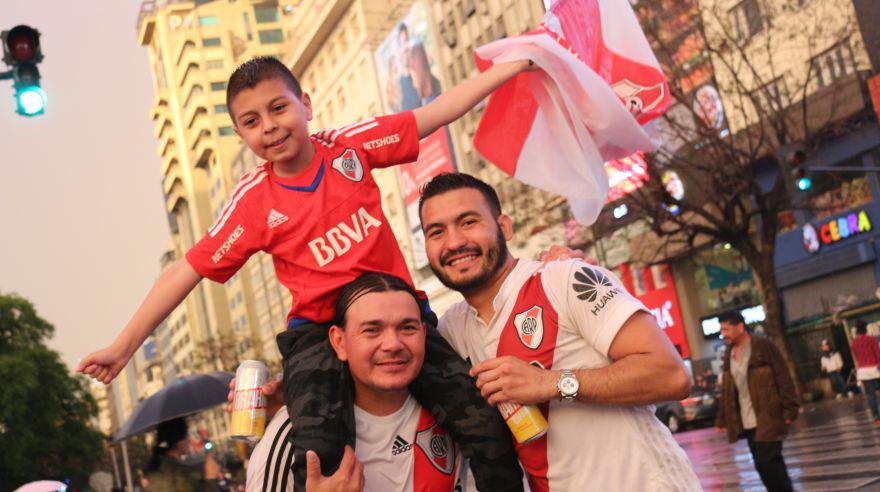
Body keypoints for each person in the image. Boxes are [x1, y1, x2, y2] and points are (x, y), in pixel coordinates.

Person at [78, 56, 534, 491]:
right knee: (320, 455)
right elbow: (187, 270)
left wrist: (514, 65)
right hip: (317, 335)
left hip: (396, 316)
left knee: (485, 429)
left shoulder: (349, 148)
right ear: (240, 134)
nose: (270, 126)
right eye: (252, 121)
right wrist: (124, 346)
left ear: (306, 105)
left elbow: (436, 112)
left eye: (279, 108)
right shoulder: (254, 201)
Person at [418, 172, 701, 490]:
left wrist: (552, 384)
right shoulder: (452, 329)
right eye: (437, 232)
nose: (454, 242)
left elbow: (672, 375)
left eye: (468, 222)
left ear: (504, 226)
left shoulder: (564, 278)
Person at [245, 272, 466, 491]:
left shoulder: (457, 410)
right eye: (372, 330)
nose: (393, 344)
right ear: (339, 342)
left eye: (407, 328)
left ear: (424, 333)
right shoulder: (294, 435)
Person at [715, 310, 798, 492]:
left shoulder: (762, 346)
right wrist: (722, 418)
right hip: (747, 421)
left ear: (740, 327)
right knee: (763, 465)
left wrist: (790, 408)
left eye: (726, 329)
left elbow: (782, 375)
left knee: (768, 463)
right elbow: (728, 388)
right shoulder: (729, 353)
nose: (723, 334)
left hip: (769, 415)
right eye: (721, 329)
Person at [146, 417, 222, 492]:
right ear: (179, 441)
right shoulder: (174, 472)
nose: (189, 439)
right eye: (187, 435)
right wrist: (210, 478)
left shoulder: (163, 466)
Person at [851, 319, 880, 426]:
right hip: (875, 369)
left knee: (871, 395)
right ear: (866, 328)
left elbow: (856, 356)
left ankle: (877, 418)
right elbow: (878, 354)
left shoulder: (854, 343)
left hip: (863, 371)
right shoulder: (872, 339)